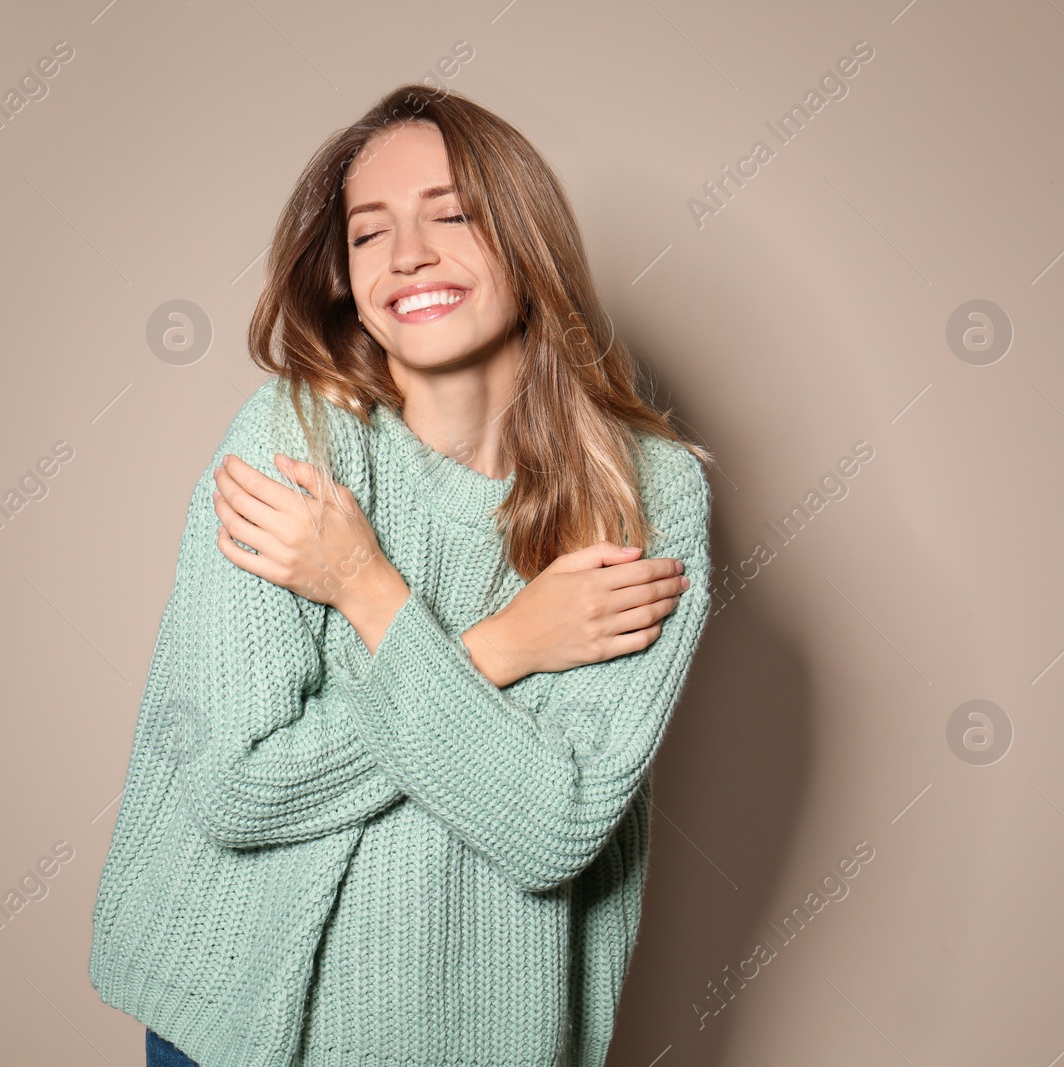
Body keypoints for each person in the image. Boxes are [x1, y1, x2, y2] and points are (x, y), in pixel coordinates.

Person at [89, 82, 714, 1067]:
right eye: (369, 232)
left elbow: (551, 823)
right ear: (342, 273)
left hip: (482, 1029)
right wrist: (504, 642)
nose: (407, 255)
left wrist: (368, 595)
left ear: (528, 239)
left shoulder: (647, 496)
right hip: (244, 1021)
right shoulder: (291, 440)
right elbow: (238, 786)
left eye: (452, 216)